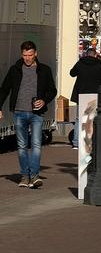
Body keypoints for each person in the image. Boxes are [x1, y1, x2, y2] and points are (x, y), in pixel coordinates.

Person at [0, 40, 57, 188]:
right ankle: (25, 176)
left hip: (36, 114)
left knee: (36, 144)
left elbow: (52, 90)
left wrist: (44, 100)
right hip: (19, 112)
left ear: (35, 54)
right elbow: (4, 89)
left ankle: (35, 176)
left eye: (30, 55)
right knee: (22, 145)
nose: (27, 58)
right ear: (21, 54)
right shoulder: (15, 70)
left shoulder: (44, 70)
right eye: (25, 55)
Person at [68, 46, 101, 148]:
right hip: (95, 94)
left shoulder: (80, 63)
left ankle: (76, 142)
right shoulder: (100, 65)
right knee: (93, 118)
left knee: (79, 118)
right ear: (95, 55)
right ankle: (92, 141)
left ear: (86, 54)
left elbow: (72, 73)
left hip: (81, 94)